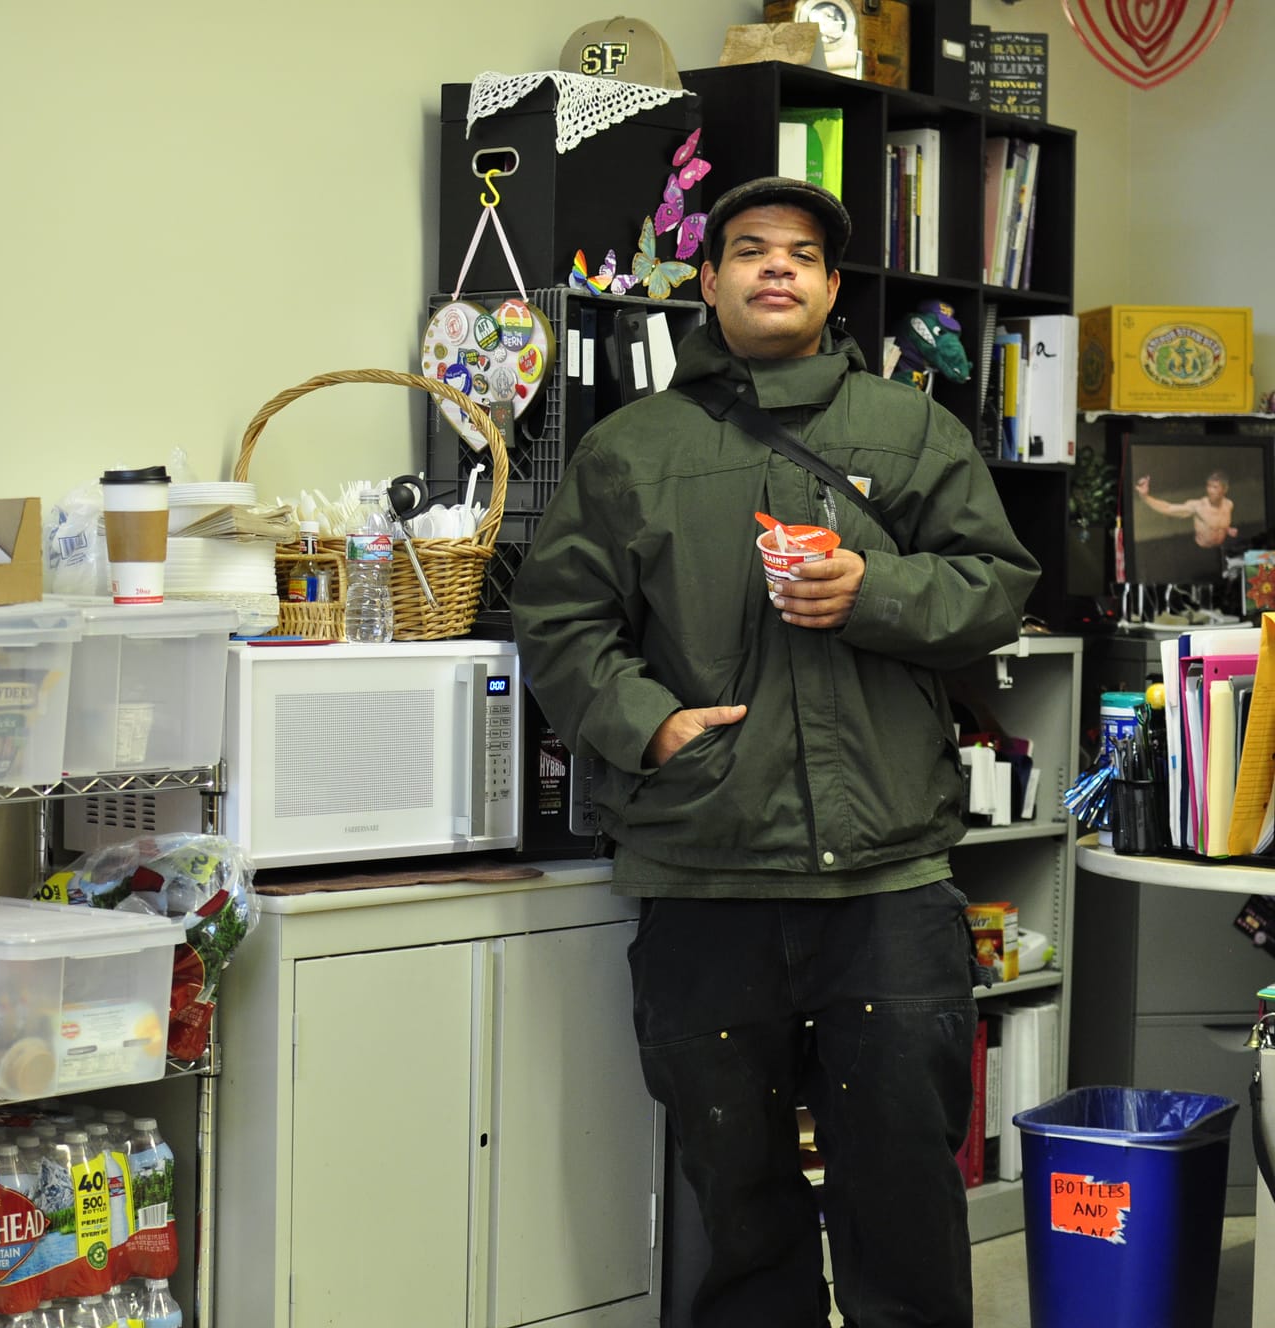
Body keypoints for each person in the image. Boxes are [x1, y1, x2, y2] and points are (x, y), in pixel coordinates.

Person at [511, 177, 1039, 1328]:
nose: (775, 269)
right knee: (734, 1190)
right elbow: (556, 623)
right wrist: (645, 721)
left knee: (901, 1175)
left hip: (888, 876)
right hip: (702, 865)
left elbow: (993, 590)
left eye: (801, 254)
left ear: (831, 287)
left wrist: (873, 588)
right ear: (707, 282)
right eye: (748, 250)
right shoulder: (627, 449)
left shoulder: (910, 431)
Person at [1134, 471, 1236, 549]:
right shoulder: (1198, 506)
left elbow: (1216, 523)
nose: (1210, 491)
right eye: (1209, 486)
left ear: (1224, 489)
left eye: (1215, 487)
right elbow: (1168, 508)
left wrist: (1227, 529)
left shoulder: (1229, 505)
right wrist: (1145, 497)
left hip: (1220, 549)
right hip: (1200, 549)